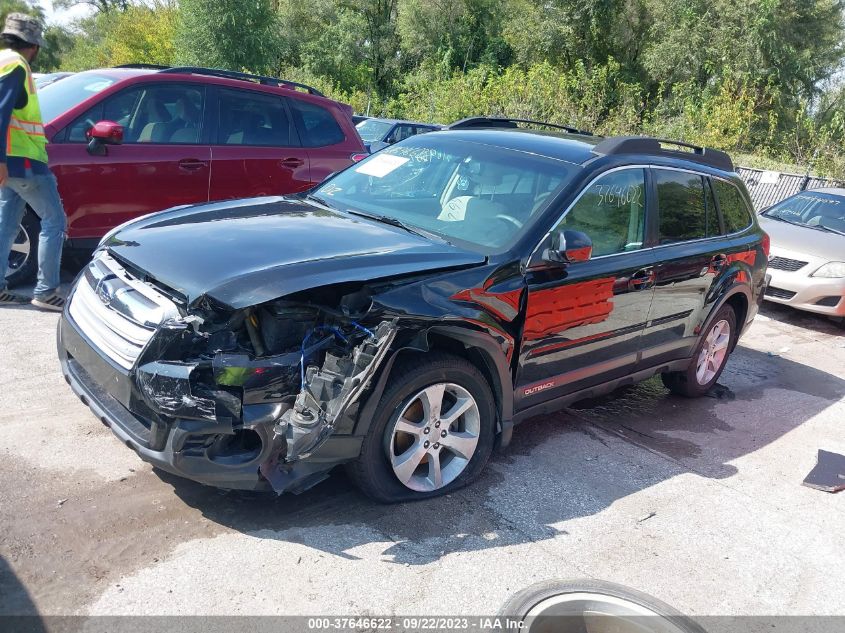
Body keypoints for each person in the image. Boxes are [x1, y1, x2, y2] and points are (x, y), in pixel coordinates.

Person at [0, 13, 66, 311]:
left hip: (11, 164)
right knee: (55, 222)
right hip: (24, 162)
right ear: (35, 46)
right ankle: (46, 291)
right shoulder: (17, 66)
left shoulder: (2, 60)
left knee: (6, 226)